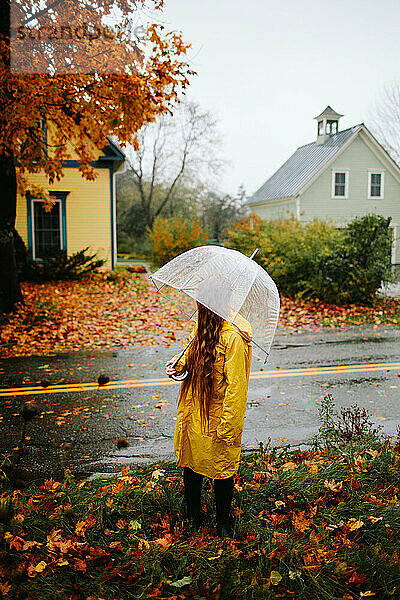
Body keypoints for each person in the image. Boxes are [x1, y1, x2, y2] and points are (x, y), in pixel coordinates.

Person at [165, 301, 252, 538]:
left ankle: (224, 523)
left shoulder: (234, 337)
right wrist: (177, 364)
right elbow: (192, 353)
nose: (199, 305)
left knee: (221, 468)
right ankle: (194, 517)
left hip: (218, 415)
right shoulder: (202, 327)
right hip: (195, 410)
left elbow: (237, 388)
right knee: (192, 463)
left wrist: (228, 427)